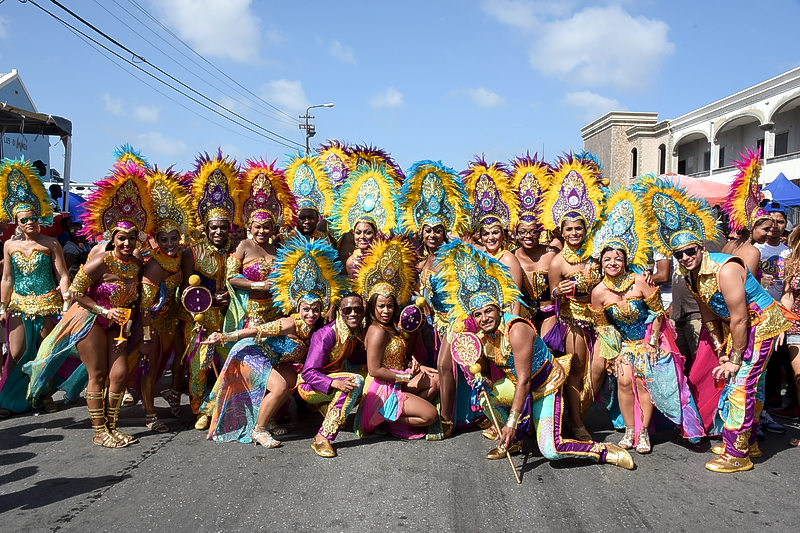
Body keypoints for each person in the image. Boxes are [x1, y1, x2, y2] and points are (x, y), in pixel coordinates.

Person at [437, 239, 634, 469]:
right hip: (518, 384)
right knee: (483, 395)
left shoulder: (517, 330)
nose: (485, 318)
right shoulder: (483, 336)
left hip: (544, 386)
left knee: (552, 450)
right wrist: (481, 381)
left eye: (489, 311)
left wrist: (510, 422)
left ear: (499, 308)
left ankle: (603, 451)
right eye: (478, 314)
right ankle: (515, 441)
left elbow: (524, 380)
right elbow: (490, 378)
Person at [640, 176, 790, 472]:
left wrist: (734, 359)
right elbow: (709, 311)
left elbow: (740, 317)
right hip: (742, 327)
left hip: (760, 324)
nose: (685, 258)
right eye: (679, 254)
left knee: (740, 385)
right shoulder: (689, 274)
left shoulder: (726, 269)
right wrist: (721, 347)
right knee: (753, 385)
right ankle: (750, 442)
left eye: (690, 251)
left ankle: (737, 454)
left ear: (701, 248)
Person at [24, 160, 152, 448]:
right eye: (121, 239)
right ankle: (99, 431)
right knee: (97, 374)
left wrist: (138, 326)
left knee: (118, 375)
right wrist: (105, 310)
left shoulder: (137, 264)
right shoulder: (101, 261)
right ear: (112, 238)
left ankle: (112, 426)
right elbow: (76, 292)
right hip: (91, 320)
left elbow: (140, 297)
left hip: (120, 325)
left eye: (132, 238)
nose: (127, 244)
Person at [589, 188, 704, 454]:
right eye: (607, 258)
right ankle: (630, 430)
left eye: (618, 257)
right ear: (601, 262)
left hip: (650, 340)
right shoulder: (598, 293)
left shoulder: (640, 282)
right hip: (624, 344)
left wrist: (651, 343)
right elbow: (604, 326)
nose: (613, 262)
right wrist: (614, 354)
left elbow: (657, 314)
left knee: (643, 381)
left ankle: (643, 433)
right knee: (624, 380)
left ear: (626, 259)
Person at [205, 235, 346, 447]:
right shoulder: (290, 323)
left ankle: (267, 418)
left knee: (292, 382)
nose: (311, 314)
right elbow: (256, 331)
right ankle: (259, 431)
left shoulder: (318, 330)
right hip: (251, 354)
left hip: (271, 360)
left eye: (315, 309)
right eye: (306, 309)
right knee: (279, 387)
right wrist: (224, 336)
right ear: (297, 308)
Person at [399, 160, 471, 437]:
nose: (432, 234)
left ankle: (447, 420)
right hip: (431, 325)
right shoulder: (422, 262)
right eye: (427, 230)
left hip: (453, 320)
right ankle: (450, 409)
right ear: (421, 231)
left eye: (437, 230)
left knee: (445, 366)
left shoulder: (454, 257)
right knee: (437, 367)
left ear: (445, 231)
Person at [541, 154, 606, 441]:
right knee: (576, 372)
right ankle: (576, 423)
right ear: (562, 232)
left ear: (585, 229)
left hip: (600, 321)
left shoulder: (596, 257)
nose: (574, 232)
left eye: (579, 228)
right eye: (569, 229)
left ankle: (577, 414)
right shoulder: (557, 263)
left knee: (600, 370)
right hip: (573, 324)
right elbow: (552, 294)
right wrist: (560, 291)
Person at [0, 158, 69, 417]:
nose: (30, 222)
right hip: (19, 304)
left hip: (48, 303)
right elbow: (7, 278)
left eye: (33, 217)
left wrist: (65, 299)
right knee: (17, 352)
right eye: (24, 219)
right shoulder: (10, 246)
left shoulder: (51, 244)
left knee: (46, 354)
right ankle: (10, 398)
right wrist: (2, 306)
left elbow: (62, 275)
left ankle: (44, 395)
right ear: (16, 223)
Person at [356, 236, 439, 439]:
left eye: (390, 306)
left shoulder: (389, 327)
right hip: (382, 389)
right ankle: (386, 421)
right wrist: (406, 376)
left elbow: (396, 356)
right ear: (373, 307)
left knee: (436, 380)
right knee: (430, 415)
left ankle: (395, 414)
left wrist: (415, 366)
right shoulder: (377, 331)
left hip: (395, 381)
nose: (386, 310)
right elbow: (375, 370)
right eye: (381, 306)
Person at [179, 151, 240, 430]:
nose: (218, 231)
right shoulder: (193, 251)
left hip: (229, 316)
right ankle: (200, 409)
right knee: (200, 365)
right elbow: (184, 288)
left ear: (230, 228)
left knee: (231, 361)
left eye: (223, 227)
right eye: (214, 227)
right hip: (200, 318)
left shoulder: (235, 251)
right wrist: (205, 300)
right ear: (206, 227)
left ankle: (224, 404)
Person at [134, 167, 193, 433]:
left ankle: (173, 393)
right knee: (150, 365)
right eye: (164, 240)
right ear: (155, 241)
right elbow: (145, 306)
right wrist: (146, 337)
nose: (170, 243)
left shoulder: (179, 257)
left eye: (174, 238)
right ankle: (149, 415)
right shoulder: (155, 266)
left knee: (184, 358)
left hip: (171, 318)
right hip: (153, 323)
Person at [226, 158, 297, 329]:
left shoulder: (278, 249)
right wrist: (259, 285)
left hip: (276, 311)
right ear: (250, 227)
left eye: (267, 227)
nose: (262, 231)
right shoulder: (244, 245)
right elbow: (231, 277)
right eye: (257, 227)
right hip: (251, 313)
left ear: (273, 229)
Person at [298, 292, 367, 457]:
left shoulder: (356, 332)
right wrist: (333, 383)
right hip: (309, 386)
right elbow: (308, 372)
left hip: (333, 378)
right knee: (355, 381)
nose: (353, 314)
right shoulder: (327, 334)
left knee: (371, 377)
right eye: (347, 310)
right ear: (340, 312)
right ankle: (322, 437)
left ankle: (336, 413)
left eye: (357, 310)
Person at [462, 157, 525, 316]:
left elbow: (515, 298)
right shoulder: (479, 257)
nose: (490, 237)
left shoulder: (508, 258)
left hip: (505, 318)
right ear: (481, 236)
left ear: (503, 235)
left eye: (495, 232)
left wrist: (511, 324)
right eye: (486, 233)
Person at [510, 154, 557, 335]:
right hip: (523, 317)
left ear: (540, 233)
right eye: (523, 232)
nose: (528, 236)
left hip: (550, 315)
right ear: (517, 234)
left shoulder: (552, 253)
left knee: (546, 350)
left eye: (533, 232)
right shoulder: (511, 257)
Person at [328, 162, 397, 278]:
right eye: (358, 232)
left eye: (368, 232)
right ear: (353, 233)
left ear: (376, 234)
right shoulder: (351, 262)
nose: (362, 237)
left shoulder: (385, 257)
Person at [283, 152, 334, 242]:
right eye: (302, 218)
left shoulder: (326, 240)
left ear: (318, 218)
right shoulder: (284, 240)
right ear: (295, 219)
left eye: (311, 217)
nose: (307, 221)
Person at [779, 225, 800, 431]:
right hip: (796, 325)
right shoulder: (792, 261)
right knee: (798, 378)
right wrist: (781, 324)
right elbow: (788, 295)